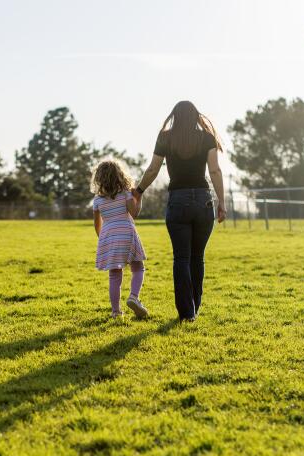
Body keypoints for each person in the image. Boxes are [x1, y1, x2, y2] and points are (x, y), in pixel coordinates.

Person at [133, 100, 226, 321]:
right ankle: (195, 309)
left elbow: (153, 168)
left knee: (181, 258)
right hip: (203, 201)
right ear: (195, 116)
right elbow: (214, 169)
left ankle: (187, 313)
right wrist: (221, 201)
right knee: (197, 258)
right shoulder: (206, 137)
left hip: (178, 201)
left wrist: (138, 190)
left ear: (174, 116)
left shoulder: (165, 137)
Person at [91, 159, 149, 319]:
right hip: (126, 232)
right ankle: (134, 297)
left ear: (99, 179)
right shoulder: (125, 193)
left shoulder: (97, 200)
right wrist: (139, 197)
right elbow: (135, 213)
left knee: (114, 274)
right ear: (120, 175)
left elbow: (97, 225)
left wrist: (103, 240)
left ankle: (116, 312)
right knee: (138, 267)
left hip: (108, 236)